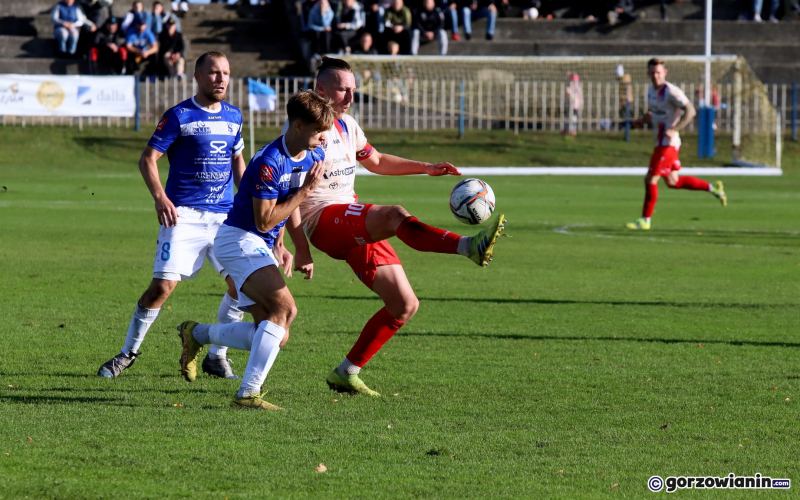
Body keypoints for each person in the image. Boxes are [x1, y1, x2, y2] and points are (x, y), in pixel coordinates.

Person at [285, 57, 506, 396]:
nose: (349, 97)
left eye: (353, 90)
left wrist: (427, 167)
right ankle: (467, 246)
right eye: (343, 89)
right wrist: (300, 248)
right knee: (393, 215)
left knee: (404, 304)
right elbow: (290, 200)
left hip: (350, 216)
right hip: (323, 221)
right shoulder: (305, 134)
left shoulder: (348, 126)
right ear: (321, 90)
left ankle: (346, 372)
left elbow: (375, 161)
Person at [97, 52, 247, 380]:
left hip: (225, 218)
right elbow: (148, 159)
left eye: (225, 72)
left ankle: (216, 356)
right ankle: (127, 354)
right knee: (162, 287)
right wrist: (159, 197)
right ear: (197, 76)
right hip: (184, 216)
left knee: (241, 284)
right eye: (213, 73)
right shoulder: (179, 115)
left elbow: (238, 161)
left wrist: (247, 200)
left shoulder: (234, 116)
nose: (221, 79)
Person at [177, 91, 329, 410]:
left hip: (258, 243)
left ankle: (198, 334)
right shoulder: (268, 162)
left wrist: (292, 246)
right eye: (319, 131)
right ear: (298, 126)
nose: (323, 137)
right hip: (238, 239)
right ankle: (248, 394)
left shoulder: (313, 155)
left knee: (272, 331)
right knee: (285, 310)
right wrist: (305, 192)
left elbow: (287, 208)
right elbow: (263, 221)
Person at [626, 58, 727, 231]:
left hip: (669, 144)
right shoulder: (651, 91)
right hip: (660, 142)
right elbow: (654, 114)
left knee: (650, 178)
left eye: (658, 72)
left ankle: (645, 220)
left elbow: (691, 111)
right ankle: (714, 188)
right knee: (673, 182)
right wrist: (640, 121)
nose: (655, 76)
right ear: (648, 74)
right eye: (652, 73)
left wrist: (675, 129)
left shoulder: (672, 91)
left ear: (665, 73)